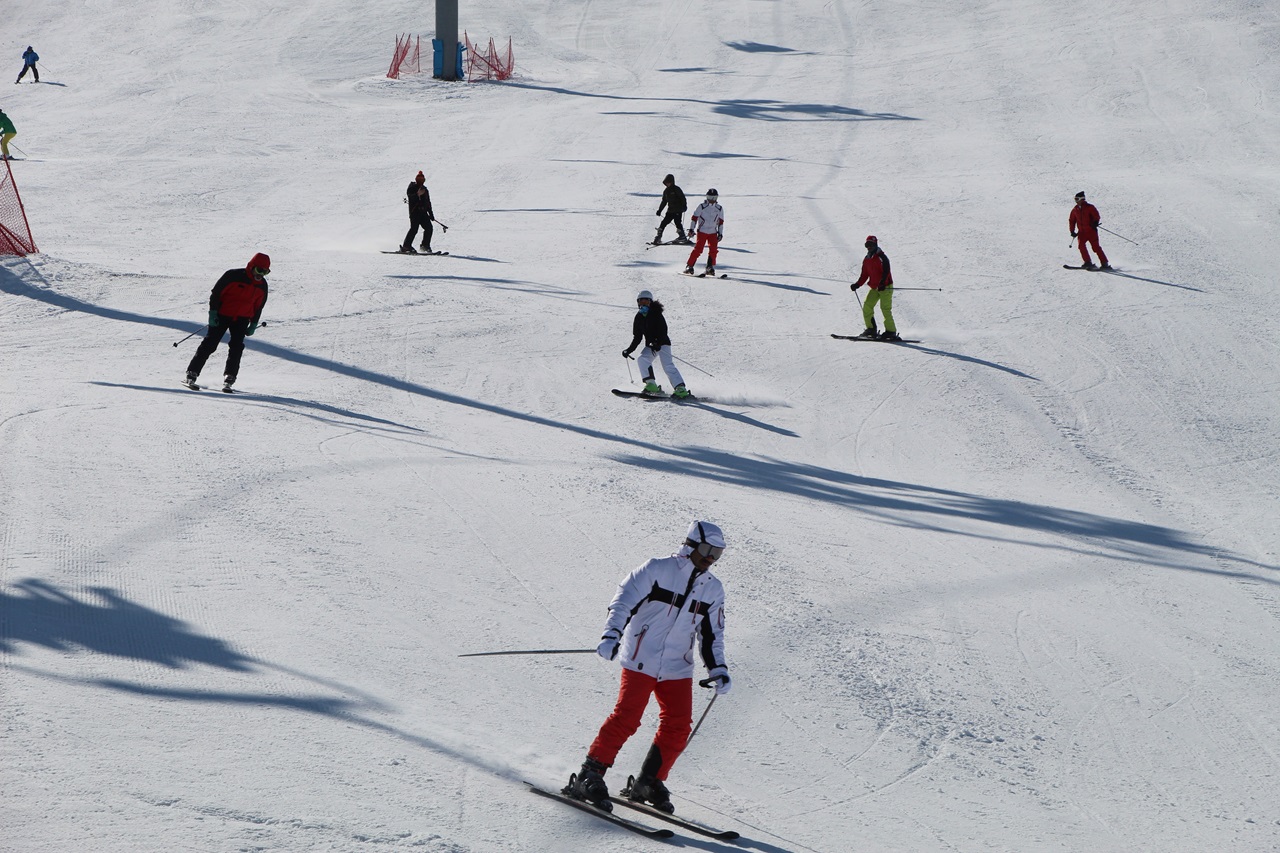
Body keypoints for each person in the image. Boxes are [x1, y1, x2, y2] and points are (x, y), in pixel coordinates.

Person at [566, 520, 731, 814]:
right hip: (642, 656)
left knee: (679, 726)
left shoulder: (713, 590)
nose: (710, 559)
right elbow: (623, 602)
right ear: (690, 545)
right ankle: (590, 773)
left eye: (717, 553)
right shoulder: (657, 569)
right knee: (627, 718)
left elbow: (712, 635)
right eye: (707, 550)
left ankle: (649, 781)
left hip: (677, 666)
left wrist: (717, 667)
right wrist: (611, 634)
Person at [184, 253, 270, 391]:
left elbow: (258, 307)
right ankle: (192, 373)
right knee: (210, 344)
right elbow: (216, 294)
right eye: (260, 270)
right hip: (222, 315)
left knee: (236, 348)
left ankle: (230, 377)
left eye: (265, 272)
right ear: (252, 266)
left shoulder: (262, 286)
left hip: (241, 319)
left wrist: (253, 324)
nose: (261, 275)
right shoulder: (233, 275)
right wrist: (213, 313)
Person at [622, 289, 691, 399]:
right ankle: (651, 385)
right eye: (641, 302)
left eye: (646, 302)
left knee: (667, 365)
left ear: (650, 302)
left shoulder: (656, 313)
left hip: (663, 344)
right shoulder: (639, 317)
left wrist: (658, 342)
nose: (643, 305)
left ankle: (681, 389)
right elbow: (637, 337)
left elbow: (663, 330)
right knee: (642, 359)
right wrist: (629, 350)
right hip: (651, 346)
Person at [850, 235, 900, 340]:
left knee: (885, 308)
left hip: (885, 287)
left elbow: (886, 271)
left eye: (871, 244)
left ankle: (891, 331)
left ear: (876, 244)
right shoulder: (867, 259)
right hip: (874, 287)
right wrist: (857, 284)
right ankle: (871, 329)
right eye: (867, 245)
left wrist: (882, 283)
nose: (869, 247)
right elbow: (864, 275)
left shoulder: (882, 257)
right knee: (867, 306)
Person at [684, 189, 724, 276]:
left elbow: (720, 222)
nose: (712, 199)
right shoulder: (702, 206)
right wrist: (691, 229)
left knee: (713, 250)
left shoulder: (719, 208)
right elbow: (694, 218)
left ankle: (709, 267)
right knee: (698, 249)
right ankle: (689, 265)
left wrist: (720, 233)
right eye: (710, 197)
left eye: (714, 197)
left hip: (713, 232)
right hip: (702, 231)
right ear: (706, 197)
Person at [1069, 191, 1110, 270]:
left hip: (1091, 231)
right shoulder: (1075, 209)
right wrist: (1072, 231)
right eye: (1075, 199)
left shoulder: (1090, 207)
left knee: (1096, 247)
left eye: (1077, 199)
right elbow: (1072, 220)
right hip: (1081, 232)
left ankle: (1104, 263)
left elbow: (1096, 216)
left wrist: (1095, 223)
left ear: (1082, 199)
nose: (1076, 201)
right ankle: (1087, 262)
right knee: (1081, 246)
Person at [401, 171, 436, 254]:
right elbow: (410, 196)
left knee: (429, 228)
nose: (420, 180)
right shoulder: (412, 187)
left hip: (423, 213)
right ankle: (406, 246)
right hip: (414, 212)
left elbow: (428, 202)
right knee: (414, 229)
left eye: (422, 179)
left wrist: (431, 214)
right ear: (416, 179)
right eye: (419, 178)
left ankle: (425, 246)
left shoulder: (425, 189)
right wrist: (418, 194)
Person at [653, 174, 688, 245]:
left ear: (672, 182)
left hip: (678, 210)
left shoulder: (677, 189)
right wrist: (660, 210)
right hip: (670, 210)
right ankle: (658, 237)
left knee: (677, 222)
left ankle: (682, 236)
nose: (667, 184)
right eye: (666, 182)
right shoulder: (666, 191)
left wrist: (684, 206)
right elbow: (664, 201)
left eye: (669, 182)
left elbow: (683, 198)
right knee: (664, 223)